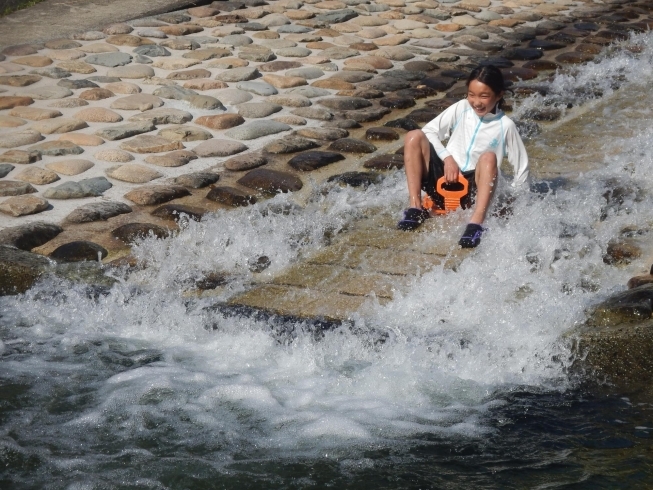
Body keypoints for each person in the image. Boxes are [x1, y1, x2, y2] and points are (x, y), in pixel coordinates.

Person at [397, 65, 530, 248]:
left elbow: (522, 169)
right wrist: (447, 158)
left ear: (498, 95)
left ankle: (476, 224)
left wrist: (512, 202)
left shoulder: (505, 126)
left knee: (489, 158)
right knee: (414, 136)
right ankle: (415, 207)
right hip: (442, 178)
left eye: (484, 96)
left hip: (471, 193)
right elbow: (429, 131)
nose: (476, 102)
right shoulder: (461, 108)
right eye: (471, 94)